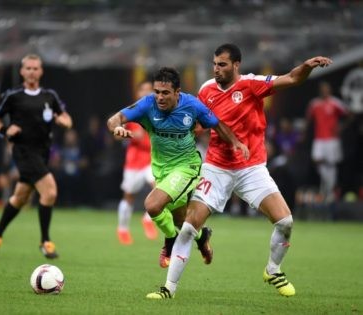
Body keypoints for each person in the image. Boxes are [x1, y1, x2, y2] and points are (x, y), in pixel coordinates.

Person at [146, 44, 332, 299]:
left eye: (222, 64)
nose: (217, 69)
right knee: (189, 227)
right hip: (216, 168)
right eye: (215, 64)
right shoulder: (206, 90)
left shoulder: (252, 84)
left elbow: (291, 78)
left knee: (285, 221)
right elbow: (199, 123)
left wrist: (307, 67)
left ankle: (273, 270)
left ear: (236, 65)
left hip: (251, 168)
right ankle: (168, 288)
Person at [107, 67, 249, 268]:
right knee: (181, 219)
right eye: (157, 92)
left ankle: (170, 241)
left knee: (153, 205)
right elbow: (114, 119)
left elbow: (217, 124)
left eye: (165, 93)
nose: (160, 97)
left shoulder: (192, 105)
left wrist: (235, 142)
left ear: (177, 92)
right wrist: (117, 128)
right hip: (161, 169)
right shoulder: (147, 104)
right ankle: (201, 237)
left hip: (186, 167)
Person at [0, 54, 73, 259]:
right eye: (28, 68)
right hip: (23, 151)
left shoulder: (49, 96)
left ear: (41, 71)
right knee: (50, 192)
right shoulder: (12, 95)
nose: (32, 72)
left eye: (36, 68)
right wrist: (5, 130)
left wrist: (63, 121)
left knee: (20, 196)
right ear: (22, 71)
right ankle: (45, 242)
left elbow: (66, 119)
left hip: (43, 152)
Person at [116, 80, 158, 245]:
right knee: (128, 197)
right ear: (138, 93)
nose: (147, 93)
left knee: (160, 188)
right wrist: (130, 134)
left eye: (150, 90)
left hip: (152, 160)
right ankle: (123, 229)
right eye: (144, 90)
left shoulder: (158, 112)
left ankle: (148, 218)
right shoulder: (131, 112)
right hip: (134, 163)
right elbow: (116, 133)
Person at [307, 81, 348, 203]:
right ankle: (328, 188)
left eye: (327, 89)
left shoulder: (335, 102)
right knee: (318, 161)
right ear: (320, 90)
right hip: (319, 139)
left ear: (329, 90)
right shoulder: (314, 104)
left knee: (331, 165)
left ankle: (329, 192)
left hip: (332, 140)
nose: (324, 91)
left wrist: (341, 127)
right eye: (322, 89)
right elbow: (309, 120)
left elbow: (348, 113)